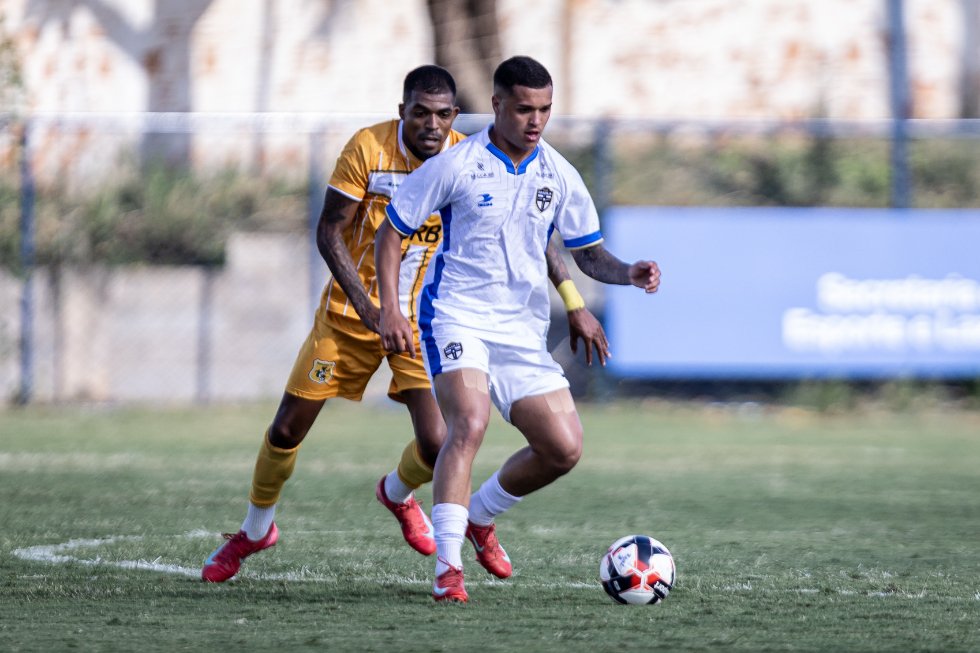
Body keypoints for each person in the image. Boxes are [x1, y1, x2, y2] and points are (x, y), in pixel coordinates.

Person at [202, 64, 607, 582]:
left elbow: (533, 238)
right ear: (403, 112)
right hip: (352, 317)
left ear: (455, 115)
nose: (431, 126)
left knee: (441, 441)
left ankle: (396, 493)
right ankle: (256, 529)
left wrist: (571, 297)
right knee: (286, 428)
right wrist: (374, 310)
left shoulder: (472, 157)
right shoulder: (367, 150)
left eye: (442, 115)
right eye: (420, 114)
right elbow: (330, 233)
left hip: (429, 321)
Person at [376, 56, 661, 602]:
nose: (536, 120)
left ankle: (480, 516)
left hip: (521, 331)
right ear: (498, 103)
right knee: (470, 424)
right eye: (525, 108)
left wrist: (627, 273)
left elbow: (588, 254)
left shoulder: (559, 173)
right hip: (456, 315)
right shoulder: (456, 163)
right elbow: (393, 233)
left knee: (563, 447)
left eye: (546, 109)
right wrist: (391, 307)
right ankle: (449, 568)